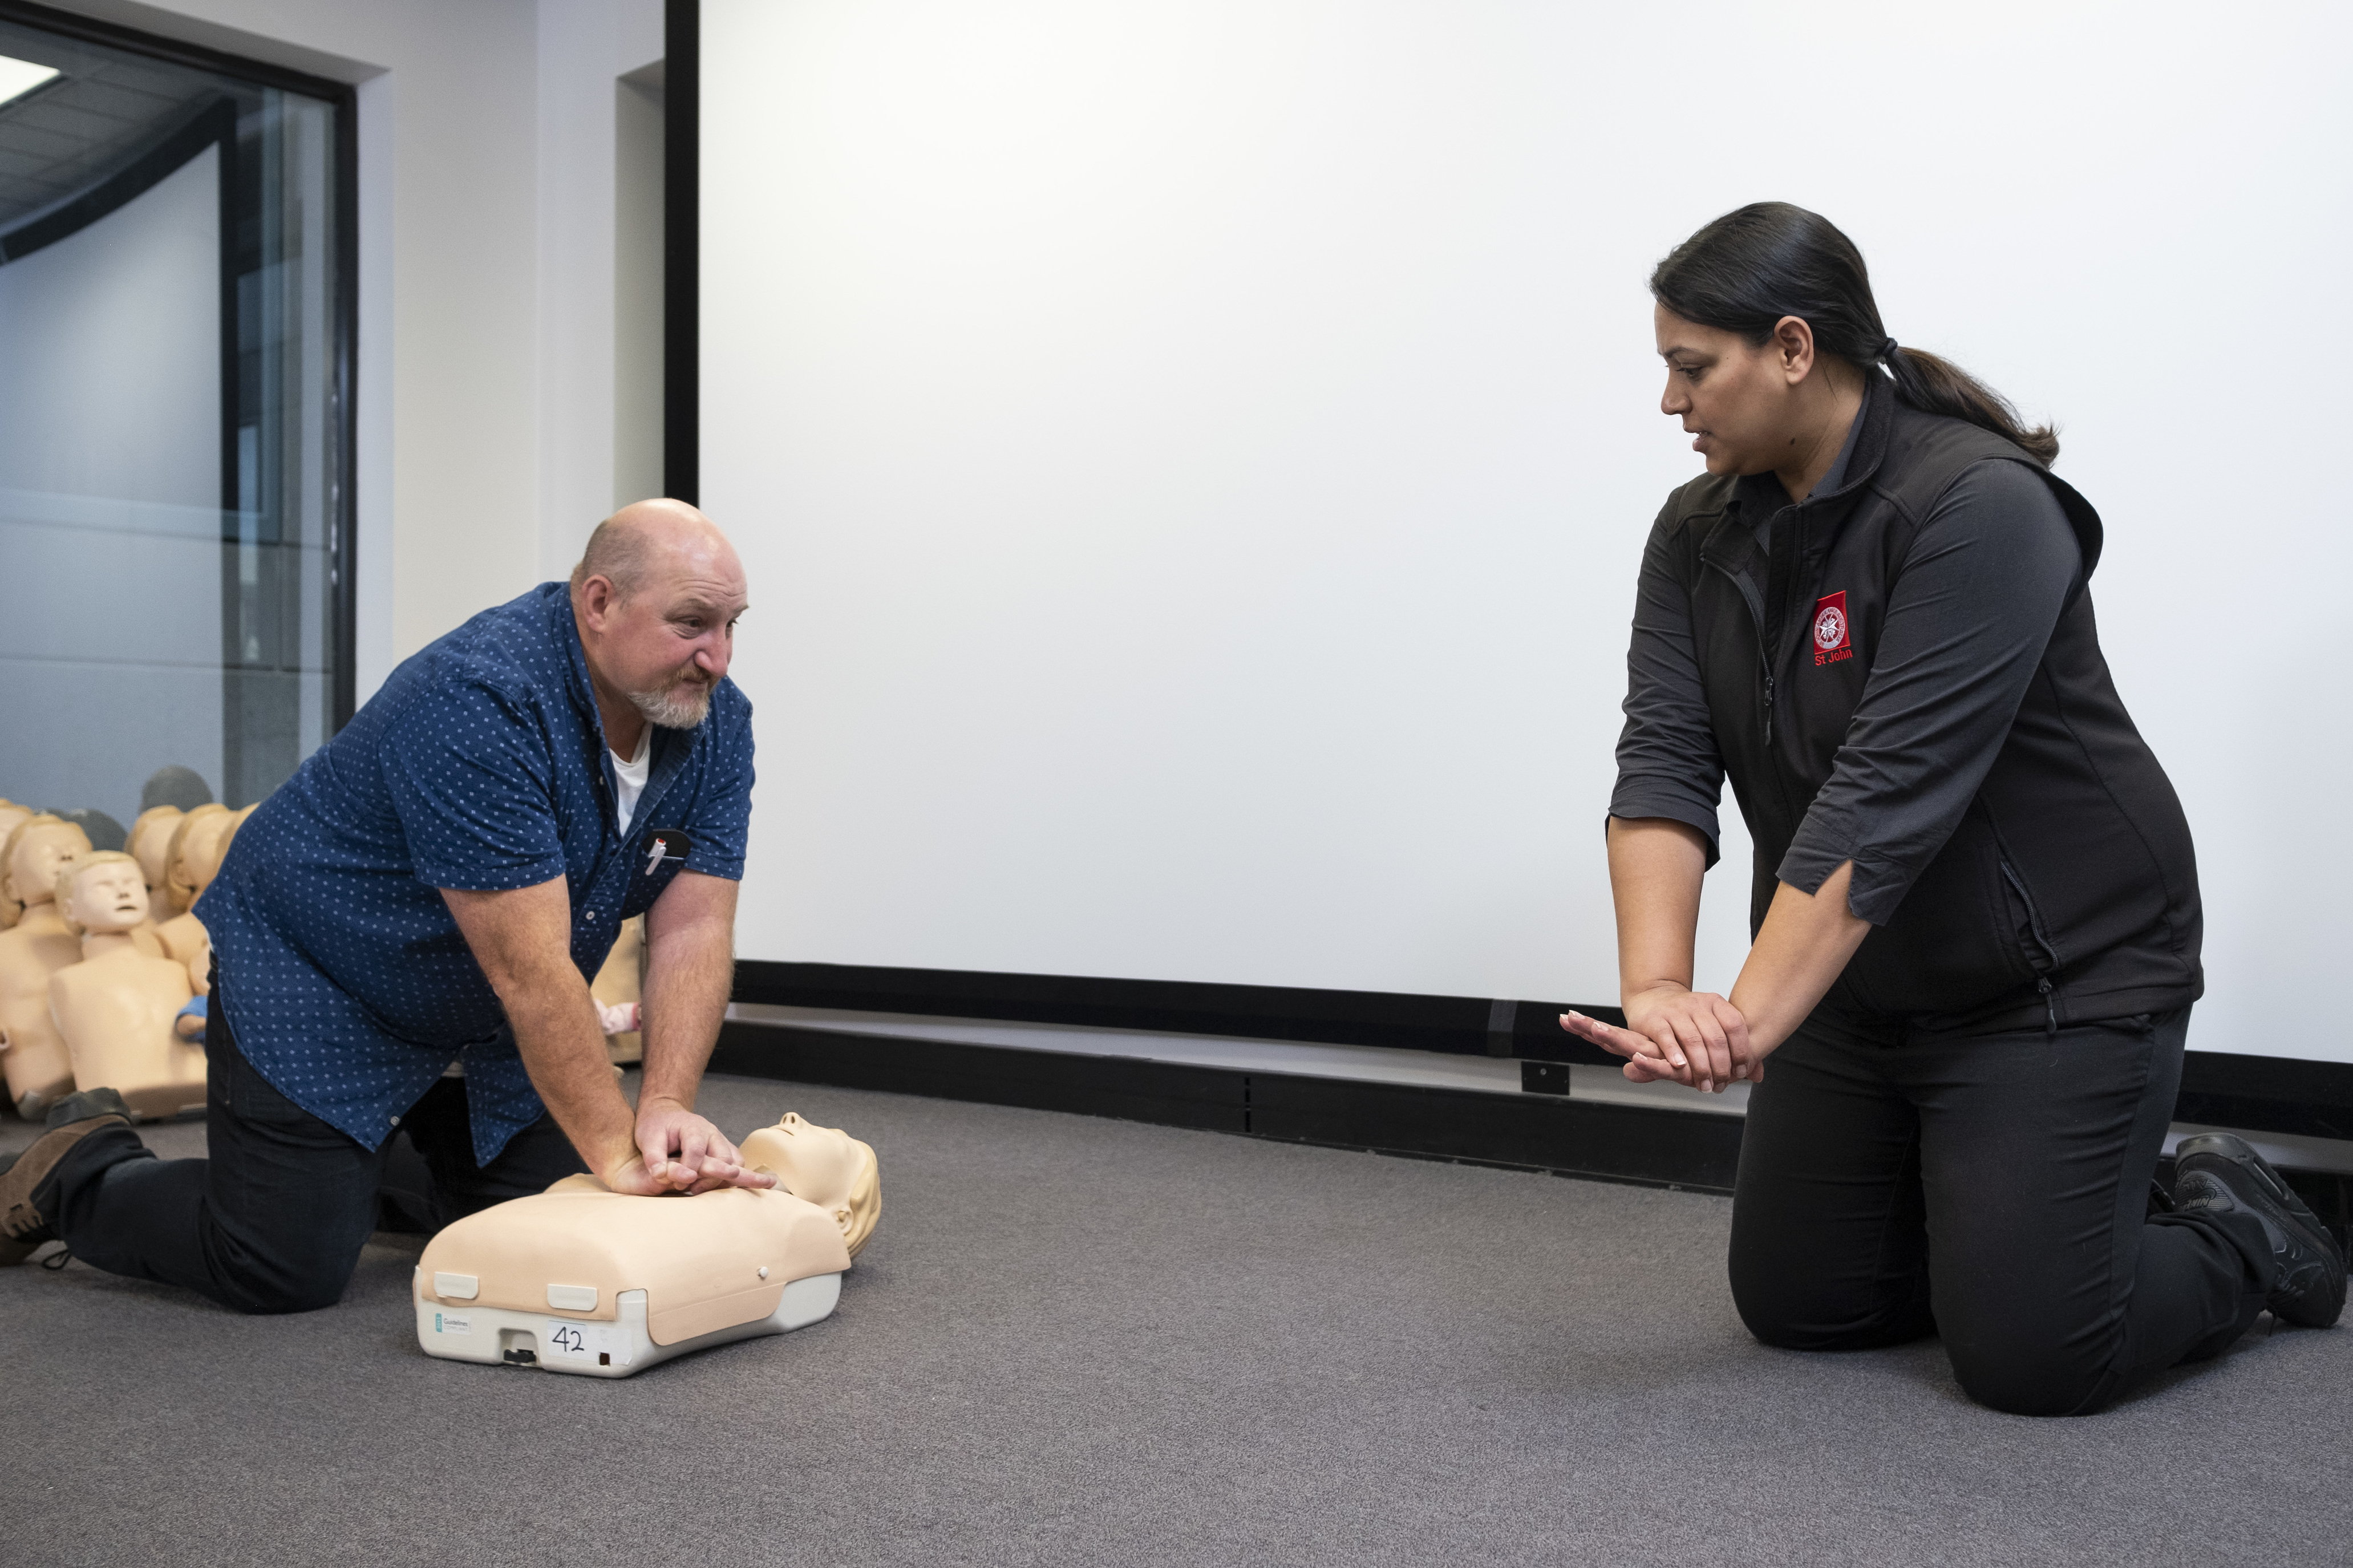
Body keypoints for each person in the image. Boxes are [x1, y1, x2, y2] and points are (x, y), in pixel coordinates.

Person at [1558, 203, 2344, 1416]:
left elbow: (1883, 797)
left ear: (1788, 347)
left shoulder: (1977, 504)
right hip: (1860, 985)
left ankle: (2233, 1230)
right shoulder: (1695, 532)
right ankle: (2032, 1212)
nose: (1671, 401)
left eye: (1689, 366)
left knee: (2036, 1357)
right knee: (1802, 1307)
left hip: (2054, 976)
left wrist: (1746, 1020)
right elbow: (1663, 758)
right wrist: (1659, 992)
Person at [1, 500, 776, 1307]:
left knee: (545, 1223)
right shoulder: (482, 697)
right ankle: (73, 1171)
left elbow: (693, 927)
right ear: (600, 603)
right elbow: (531, 970)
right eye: (692, 624)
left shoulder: (718, 724)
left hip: (479, 1008)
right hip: (323, 972)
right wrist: (620, 1154)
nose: (716, 658)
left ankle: (351, 1166)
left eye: (731, 626)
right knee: (281, 1264)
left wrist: (662, 1109)